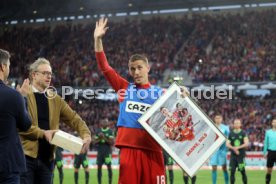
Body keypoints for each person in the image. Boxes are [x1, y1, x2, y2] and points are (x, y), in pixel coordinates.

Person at [94, 17, 189, 183]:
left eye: (139, 67)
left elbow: (183, 106)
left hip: (154, 150)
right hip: (129, 148)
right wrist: (97, 40)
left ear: (148, 68)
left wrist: (184, 92)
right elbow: (105, 68)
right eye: (132, 69)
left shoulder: (161, 93)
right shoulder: (124, 88)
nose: (136, 72)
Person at [17, 58, 92, 184]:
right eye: (45, 73)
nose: (49, 76)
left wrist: (86, 134)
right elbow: (21, 126)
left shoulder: (55, 98)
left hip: (48, 160)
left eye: (50, 74)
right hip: (26, 159)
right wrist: (43, 133)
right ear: (34, 75)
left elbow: (74, 118)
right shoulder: (23, 94)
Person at [0, 48, 32, 183]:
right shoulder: (13, 96)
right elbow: (25, 125)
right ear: (2, 67)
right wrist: (23, 98)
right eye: (8, 65)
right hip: (7, 165)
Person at [226, 119, 249, 184]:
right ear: (233, 124)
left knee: (243, 172)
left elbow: (246, 143)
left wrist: (237, 148)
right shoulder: (231, 133)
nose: (236, 124)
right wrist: (234, 148)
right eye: (235, 123)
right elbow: (227, 144)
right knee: (232, 171)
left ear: (240, 124)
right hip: (233, 156)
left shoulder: (243, 133)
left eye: (238, 123)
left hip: (241, 156)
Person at [210, 114, 230, 184]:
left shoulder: (226, 128)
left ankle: (227, 183)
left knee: (224, 168)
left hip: (222, 150)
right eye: (216, 118)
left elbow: (229, 138)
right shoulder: (211, 127)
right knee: (214, 167)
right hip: (214, 151)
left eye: (219, 118)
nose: (218, 119)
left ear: (221, 119)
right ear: (214, 119)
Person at [94, 119, 114, 184]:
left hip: (107, 153)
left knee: (109, 168)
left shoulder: (110, 131)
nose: (104, 123)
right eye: (103, 122)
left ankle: (110, 182)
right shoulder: (98, 131)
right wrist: (100, 138)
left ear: (107, 124)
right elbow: (94, 142)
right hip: (100, 153)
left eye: (105, 122)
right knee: (99, 168)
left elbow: (112, 142)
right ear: (101, 124)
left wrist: (104, 137)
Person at [263, 117, 276, 184]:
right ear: (272, 123)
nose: (275, 123)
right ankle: (267, 182)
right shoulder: (268, 132)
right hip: (271, 152)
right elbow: (265, 143)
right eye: (274, 122)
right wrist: (264, 152)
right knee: (269, 170)